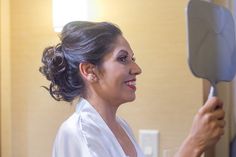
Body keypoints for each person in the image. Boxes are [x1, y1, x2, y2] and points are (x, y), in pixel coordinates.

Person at [39, 21, 225, 157]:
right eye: (122, 58)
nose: (137, 69)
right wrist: (194, 144)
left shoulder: (122, 127)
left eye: (132, 59)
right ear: (89, 71)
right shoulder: (76, 133)